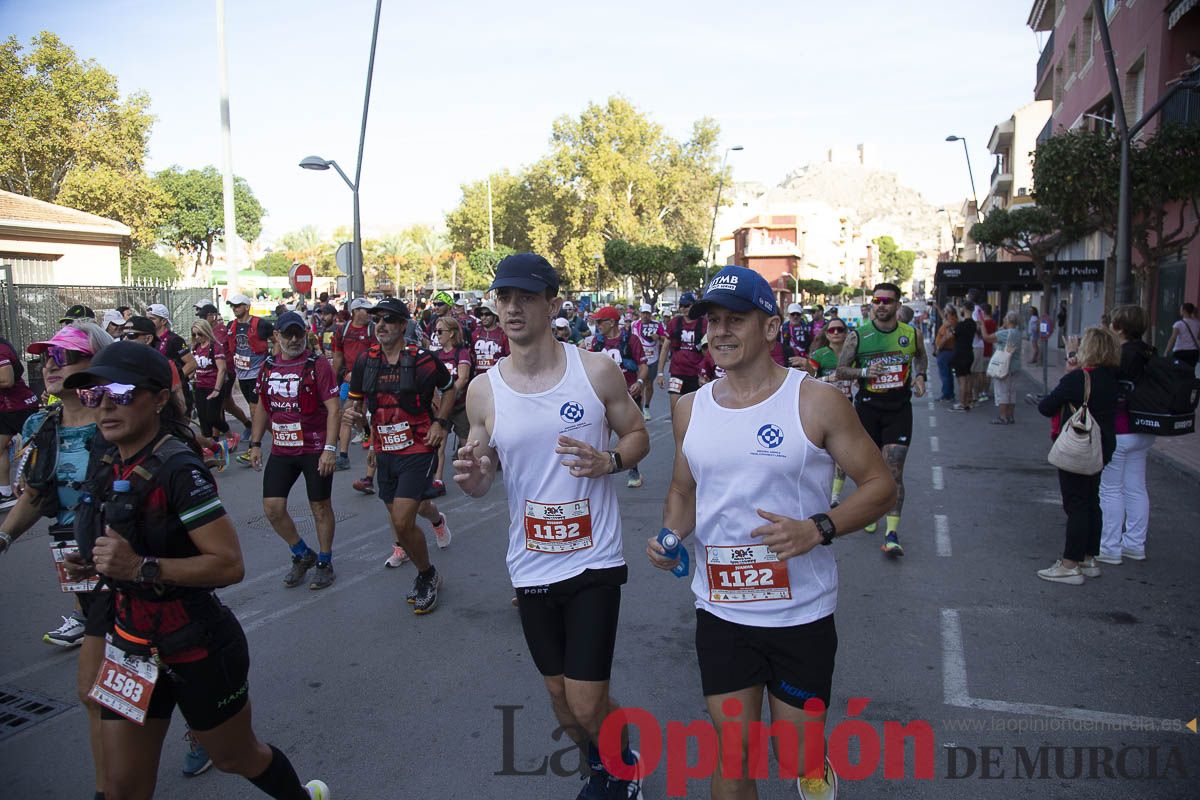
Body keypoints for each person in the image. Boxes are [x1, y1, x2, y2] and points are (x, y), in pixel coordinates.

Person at [647, 265, 896, 800]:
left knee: (799, 756)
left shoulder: (816, 401)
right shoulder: (689, 408)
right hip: (722, 610)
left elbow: (880, 486)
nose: (720, 331)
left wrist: (818, 528)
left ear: (771, 329)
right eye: (712, 320)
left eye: (736, 319)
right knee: (733, 752)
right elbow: (683, 492)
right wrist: (670, 538)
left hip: (800, 613)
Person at [56, 342, 328, 799]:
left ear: (159, 399)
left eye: (121, 392)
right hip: (129, 646)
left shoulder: (180, 470)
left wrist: (139, 567)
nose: (104, 403)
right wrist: (95, 561)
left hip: (196, 648)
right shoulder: (107, 460)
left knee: (234, 757)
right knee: (121, 787)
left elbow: (229, 564)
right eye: (94, 394)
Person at [453, 253, 649, 800]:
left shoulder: (595, 371)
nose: (512, 307)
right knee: (561, 699)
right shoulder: (484, 390)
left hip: (594, 557)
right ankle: (601, 763)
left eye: (526, 297)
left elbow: (638, 435)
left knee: (586, 699)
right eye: (503, 297)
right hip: (530, 560)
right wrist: (472, 475)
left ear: (552, 304)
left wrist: (609, 461)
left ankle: (623, 769)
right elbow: (480, 474)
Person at [0, 323, 115, 795]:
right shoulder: (38, 426)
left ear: (96, 365)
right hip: (79, 572)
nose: (50, 365)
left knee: (153, 674)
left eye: (65, 357)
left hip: (136, 571)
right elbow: (38, 496)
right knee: (94, 693)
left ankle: (201, 726)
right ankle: (107, 788)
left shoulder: (119, 418)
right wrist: (4, 538)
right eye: (48, 356)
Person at [344, 298, 453, 611]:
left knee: (402, 523)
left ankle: (427, 575)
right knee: (402, 518)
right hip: (384, 451)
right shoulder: (366, 361)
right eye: (378, 319)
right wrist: (356, 418)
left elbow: (449, 388)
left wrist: (441, 423)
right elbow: (359, 406)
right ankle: (436, 519)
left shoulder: (423, 360)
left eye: (389, 319)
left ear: (403, 325)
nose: (382, 325)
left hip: (418, 448)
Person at [247, 312, 341, 590]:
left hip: (313, 447)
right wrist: (254, 444)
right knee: (272, 508)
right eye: (287, 333)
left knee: (320, 507)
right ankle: (301, 553)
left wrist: (330, 449)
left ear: (305, 334)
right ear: (276, 336)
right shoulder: (268, 366)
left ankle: (324, 561)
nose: (293, 339)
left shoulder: (318, 365)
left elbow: (334, 408)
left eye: (298, 333)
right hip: (282, 449)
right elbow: (263, 406)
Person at [835, 282, 927, 556]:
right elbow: (841, 370)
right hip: (868, 409)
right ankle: (872, 511)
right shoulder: (858, 336)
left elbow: (921, 358)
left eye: (887, 300)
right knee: (869, 471)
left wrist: (920, 376)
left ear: (898, 304)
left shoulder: (910, 334)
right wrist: (864, 373)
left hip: (899, 408)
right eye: (877, 300)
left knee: (895, 470)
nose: (881, 305)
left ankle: (892, 533)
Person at [1036, 327, 1119, 585]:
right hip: (1103, 444)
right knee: (1091, 499)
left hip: (1079, 445)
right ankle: (1088, 557)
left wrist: (1069, 373)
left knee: (1076, 503)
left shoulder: (1078, 380)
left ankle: (1070, 563)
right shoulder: (1111, 376)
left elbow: (1046, 406)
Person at [1098, 306, 1156, 564]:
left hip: (1120, 428)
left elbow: (1105, 384)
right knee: (1136, 487)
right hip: (1143, 428)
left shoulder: (1121, 355)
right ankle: (1135, 543)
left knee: (1110, 489)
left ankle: (1109, 547)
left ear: (1119, 327)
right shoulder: (1148, 352)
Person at [588, 305, 649, 488]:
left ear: (612, 322)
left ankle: (633, 469)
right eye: (596, 321)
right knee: (599, 434)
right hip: (601, 396)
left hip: (626, 396)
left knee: (629, 434)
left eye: (600, 321)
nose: (597, 325)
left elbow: (643, 365)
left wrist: (639, 383)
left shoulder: (631, 340)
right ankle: (598, 468)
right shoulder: (597, 343)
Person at [807, 317, 854, 506]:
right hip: (823, 409)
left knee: (842, 456)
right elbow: (808, 381)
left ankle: (834, 495)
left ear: (846, 333)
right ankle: (822, 494)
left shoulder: (852, 355)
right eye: (832, 330)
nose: (836, 333)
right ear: (826, 334)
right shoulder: (819, 355)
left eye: (840, 330)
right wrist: (830, 378)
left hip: (848, 406)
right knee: (823, 457)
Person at [331, 297, 378, 472]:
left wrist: (357, 373)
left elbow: (374, 355)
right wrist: (333, 381)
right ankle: (344, 455)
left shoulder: (372, 329)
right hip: (350, 379)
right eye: (366, 310)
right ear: (355, 311)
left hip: (369, 378)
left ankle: (365, 438)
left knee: (357, 411)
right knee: (348, 413)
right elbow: (337, 356)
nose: (369, 314)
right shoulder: (342, 331)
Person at [431, 316, 473, 507]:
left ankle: (470, 478)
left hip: (460, 405)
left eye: (440, 331)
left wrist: (449, 397)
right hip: (442, 407)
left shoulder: (461, 353)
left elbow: (462, 378)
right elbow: (429, 382)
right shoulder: (437, 355)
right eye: (436, 331)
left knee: (465, 446)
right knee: (439, 444)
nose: (437, 335)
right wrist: (438, 401)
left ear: (452, 333)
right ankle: (438, 480)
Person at [227, 293, 275, 456]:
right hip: (242, 375)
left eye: (238, 305)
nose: (235, 309)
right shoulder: (231, 325)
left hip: (257, 373)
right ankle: (280, 437)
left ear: (247, 307)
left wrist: (272, 362)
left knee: (254, 411)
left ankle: (253, 448)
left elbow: (276, 341)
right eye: (233, 306)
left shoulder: (261, 324)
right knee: (258, 412)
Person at [197, 303, 253, 436]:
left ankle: (216, 437)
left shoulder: (222, 331)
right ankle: (247, 424)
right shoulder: (203, 332)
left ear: (212, 316)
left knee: (218, 404)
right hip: (210, 375)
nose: (202, 320)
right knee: (227, 404)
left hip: (225, 372)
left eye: (203, 317)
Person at [0, 330, 40, 509]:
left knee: (35, 448)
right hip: (6, 408)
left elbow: (6, 380)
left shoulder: (1, 349)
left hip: (20, 407)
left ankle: (39, 488)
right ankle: (5, 492)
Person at [658, 292, 707, 417]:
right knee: (676, 410)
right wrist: (660, 373)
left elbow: (710, 350)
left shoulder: (704, 323)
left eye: (687, 305)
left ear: (694, 305)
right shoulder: (674, 322)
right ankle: (679, 436)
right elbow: (664, 349)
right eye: (681, 305)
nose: (684, 308)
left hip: (696, 374)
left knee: (696, 411)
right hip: (677, 373)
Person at [191, 319, 236, 448]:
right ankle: (209, 446)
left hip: (213, 386)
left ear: (206, 332)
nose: (197, 337)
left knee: (212, 417)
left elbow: (222, 369)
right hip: (200, 386)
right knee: (203, 419)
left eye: (200, 334)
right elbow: (194, 366)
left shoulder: (215, 346)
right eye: (194, 334)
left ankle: (230, 436)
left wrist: (216, 390)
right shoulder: (196, 348)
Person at [980, 310, 1023, 424]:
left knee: (1002, 392)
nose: (1003, 320)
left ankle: (1002, 417)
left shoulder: (1005, 333)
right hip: (1015, 366)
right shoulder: (1018, 333)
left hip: (1003, 366)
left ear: (1008, 320)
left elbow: (987, 337)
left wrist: (982, 324)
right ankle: (1010, 416)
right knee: (1012, 393)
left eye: (1005, 318)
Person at [631, 303, 667, 421]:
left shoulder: (657, 325)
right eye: (643, 313)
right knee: (639, 384)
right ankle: (639, 409)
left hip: (653, 359)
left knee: (649, 384)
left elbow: (666, 339)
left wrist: (658, 337)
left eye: (648, 313)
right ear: (640, 313)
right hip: (639, 360)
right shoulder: (634, 325)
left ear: (650, 314)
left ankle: (646, 407)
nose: (645, 316)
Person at [949, 302, 977, 411]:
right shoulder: (973, 324)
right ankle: (968, 401)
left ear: (964, 309)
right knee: (968, 378)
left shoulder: (961, 325)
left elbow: (953, 334)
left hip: (960, 354)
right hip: (969, 352)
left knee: (962, 380)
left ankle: (962, 403)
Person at [471, 301, 509, 375]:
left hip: (499, 376)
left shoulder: (504, 334)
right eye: (481, 314)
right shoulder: (474, 334)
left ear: (495, 316)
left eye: (487, 314)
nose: (483, 317)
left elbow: (509, 357)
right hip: (479, 377)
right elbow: (472, 354)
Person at [1162, 302, 1199, 368]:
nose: (1180, 310)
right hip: (1193, 352)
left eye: (1181, 309)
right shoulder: (1197, 323)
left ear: (1184, 311)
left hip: (1180, 353)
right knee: (1189, 371)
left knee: (1176, 371)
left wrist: (1166, 351)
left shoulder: (1178, 324)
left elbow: (1172, 338)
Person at [934, 306, 958, 402]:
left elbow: (946, 337)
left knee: (945, 374)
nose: (944, 313)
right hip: (948, 351)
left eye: (945, 312)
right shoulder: (952, 321)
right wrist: (938, 308)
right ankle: (950, 394)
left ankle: (946, 395)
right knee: (948, 374)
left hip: (945, 351)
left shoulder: (949, 324)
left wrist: (938, 348)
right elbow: (943, 318)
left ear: (948, 313)